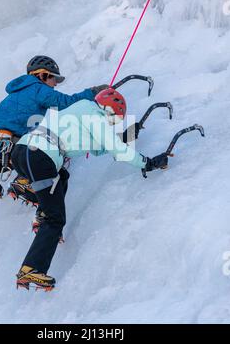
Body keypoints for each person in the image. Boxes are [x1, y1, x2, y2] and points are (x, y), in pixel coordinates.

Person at [11, 88, 169, 291]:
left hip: (24, 152)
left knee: (61, 177)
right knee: (55, 218)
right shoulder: (94, 113)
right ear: (109, 111)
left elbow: (97, 147)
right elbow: (114, 148)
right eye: (113, 120)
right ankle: (32, 268)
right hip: (41, 157)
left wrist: (127, 135)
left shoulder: (80, 110)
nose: (111, 124)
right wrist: (146, 163)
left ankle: (43, 216)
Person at [0, 56, 108, 204]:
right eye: (54, 79)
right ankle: (25, 182)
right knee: (43, 155)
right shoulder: (38, 88)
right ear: (42, 75)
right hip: (5, 142)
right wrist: (93, 93)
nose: (55, 85)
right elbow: (67, 103)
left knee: (27, 145)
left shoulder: (16, 93)